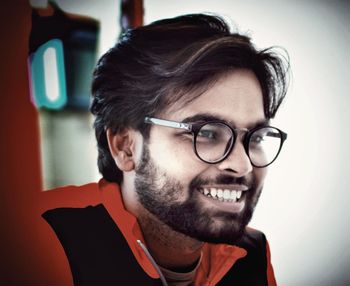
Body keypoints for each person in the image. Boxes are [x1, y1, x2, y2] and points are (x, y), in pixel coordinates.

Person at [43, 13, 289, 286]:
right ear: (125, 147)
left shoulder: (250, 254)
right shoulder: (45, 238)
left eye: (255, 138)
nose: (242, 165)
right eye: (206, 133)